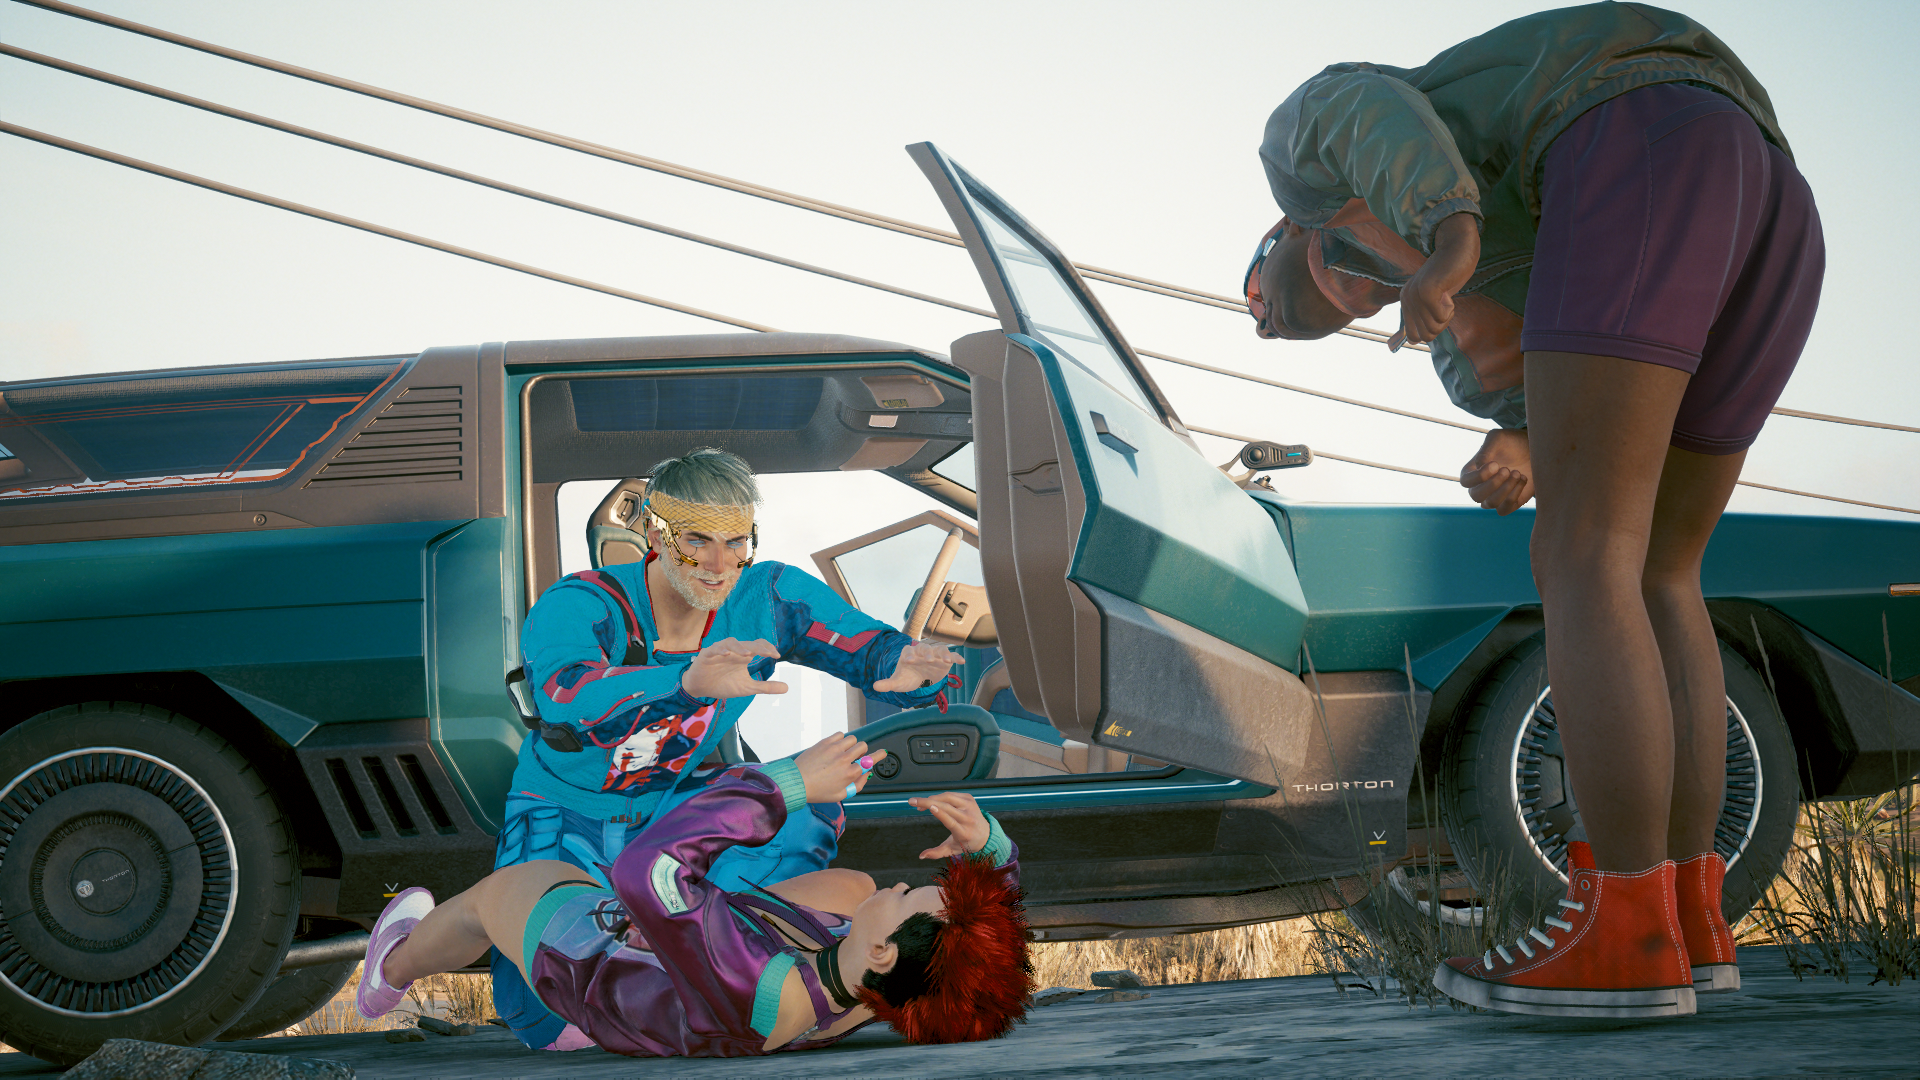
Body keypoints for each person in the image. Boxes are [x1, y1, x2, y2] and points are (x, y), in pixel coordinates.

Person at [1244, 2, 1822, 1017]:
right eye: (1359, 300)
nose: (1367, 289)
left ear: (1296, 226)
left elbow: (1372, 111)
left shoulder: (1302, 149)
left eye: (1342, 265)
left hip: (1633, 128)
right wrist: (1514, 444)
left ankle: (1624, 936)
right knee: (1660, 572)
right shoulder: (1463, 328)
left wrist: (1448, 241)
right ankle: (1689, 921)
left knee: (1584, 559)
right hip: (1764, 200)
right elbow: (1559, 405)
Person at [493, 447, 962, 1047]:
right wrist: (684, 682)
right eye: (697, 541)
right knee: (550, 1018)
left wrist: (904, 667)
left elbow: (864, 646)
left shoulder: (767, 598)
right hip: (570, 811)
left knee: (807, 804)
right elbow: (565, 694)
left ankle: (738, 958)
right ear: (656, 535)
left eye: (737, 541)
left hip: (671, 808)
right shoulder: (582, 603)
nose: (719, 564)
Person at [356, 732, 1032, 1054]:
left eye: (910, 895)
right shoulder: (891, 983)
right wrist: (989, 849)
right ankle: (690, 910)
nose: (903, 882)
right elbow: (994, 941)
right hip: (719, 969)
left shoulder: (759, 990)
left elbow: (645, 874)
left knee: (498, 894)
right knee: (852, 887)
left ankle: (391, 968)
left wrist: (785, 785)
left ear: (884, 951)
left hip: (598, 970)